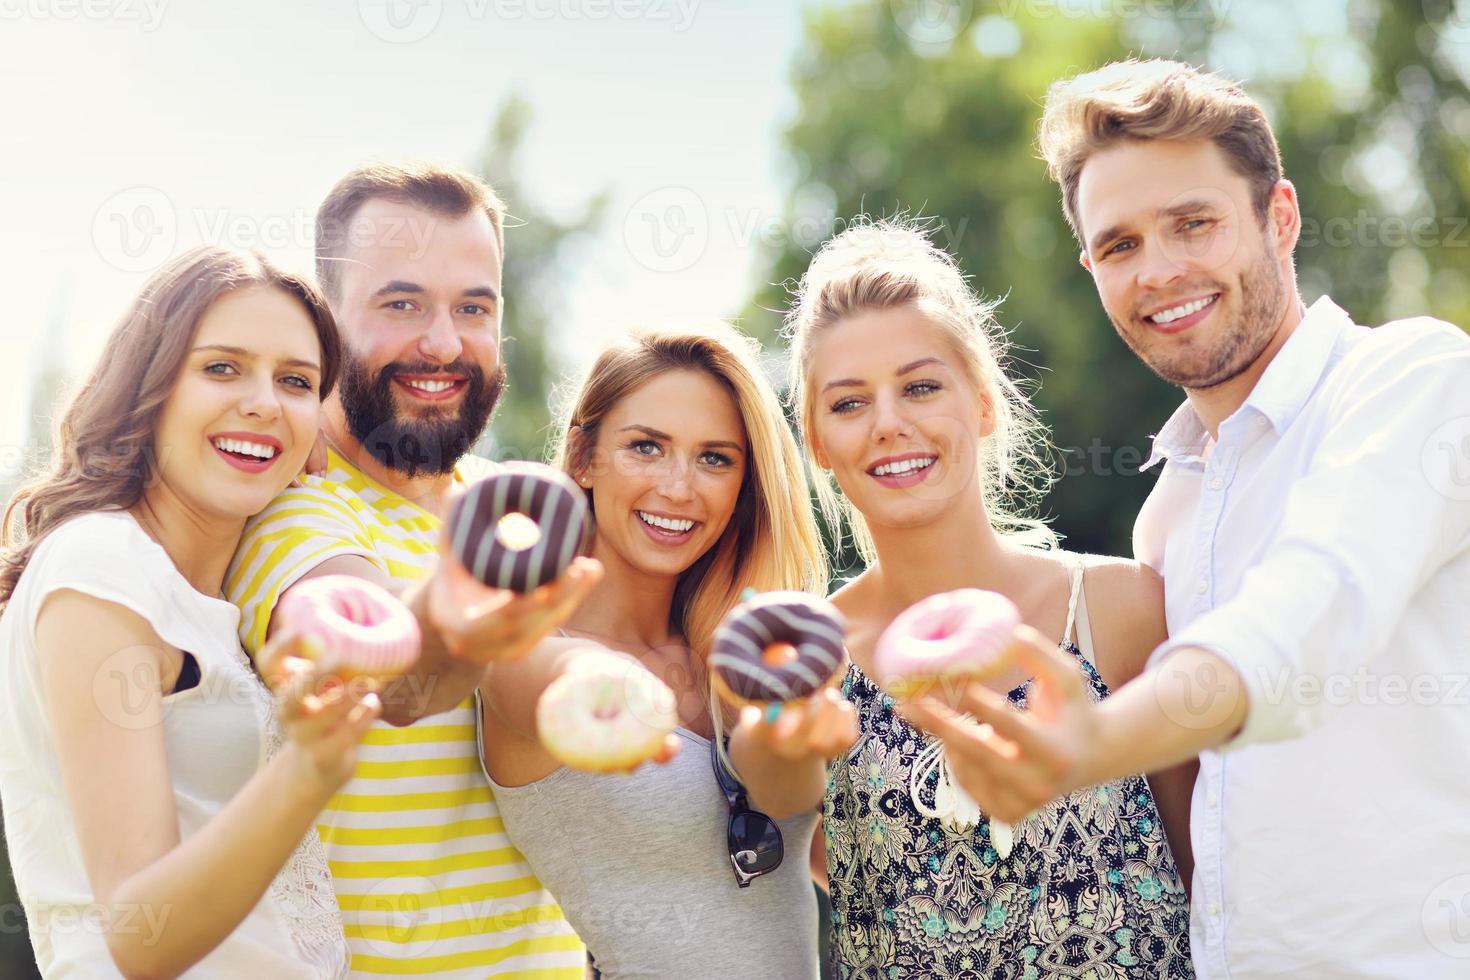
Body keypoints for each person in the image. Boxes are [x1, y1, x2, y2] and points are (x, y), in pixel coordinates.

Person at [901, 58, 1470, 976]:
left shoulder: (1413, 380)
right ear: (1090, 266)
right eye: (1119, 245)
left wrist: (1092, 737)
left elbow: (1304, 620)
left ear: (1279, 217)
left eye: (1193, 224)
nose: (1159, 272)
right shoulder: (1169, 507)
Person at [785, 218, 1197, 976]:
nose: (889, 424)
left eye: (920, 387)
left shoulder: (1120, 609)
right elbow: (840, 878)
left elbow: (1210, 880)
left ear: (981, 401)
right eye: (848, 403)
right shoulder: (809, 656)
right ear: (815, 440)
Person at [224, 163, 601, 978]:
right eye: (402, 304)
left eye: (474, 308)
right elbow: (384, 674)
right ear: (325, 324)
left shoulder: (504, 511)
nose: (442, 342)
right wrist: (452, 621)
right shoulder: (296, 511)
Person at [0, 246, 373, 977]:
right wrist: (308, 767)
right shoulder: (102, 567)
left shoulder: (212, 603)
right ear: (151, 387)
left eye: (295, 381)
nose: (264, 401)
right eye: (222, 367)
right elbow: (143, 935)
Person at [477, 324, 857, 978]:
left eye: (715, 458)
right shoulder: (523, 650)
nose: (680, 488)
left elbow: (784, 796)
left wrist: (792, 726)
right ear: (583, 458)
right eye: (646, 448)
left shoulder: (735, 653)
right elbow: (562, 686)